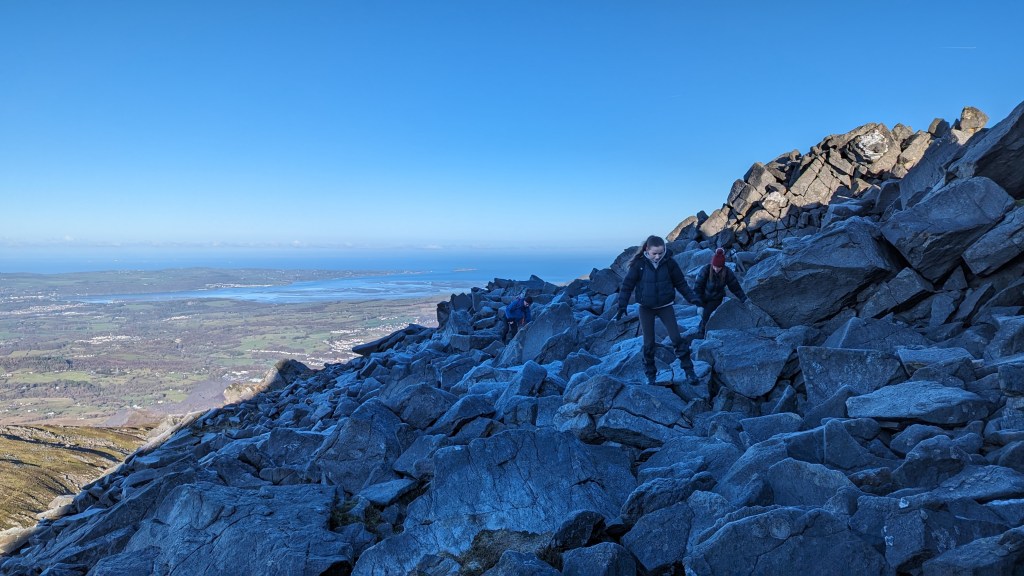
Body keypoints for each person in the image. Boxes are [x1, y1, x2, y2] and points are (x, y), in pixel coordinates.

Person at [616, 235, 702, 386]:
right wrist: (622, 305)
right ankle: (651, 377)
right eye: (654, 253)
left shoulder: (669, 263)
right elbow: (627, 285)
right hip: (646, 308)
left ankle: (689, 372)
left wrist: (692, 298)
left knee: (676, 338)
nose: (657, 256)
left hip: (665, 307)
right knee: (649, 343)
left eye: (660, 253)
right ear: (647, 250)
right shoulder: (639, 264)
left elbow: (681, 283)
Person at [695, 247, 747, 337]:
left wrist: (744, 299)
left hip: (716, 298)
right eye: (714, 266)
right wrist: (699, 305)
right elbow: (698, 288)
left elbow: (735, 288)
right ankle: (700, 333)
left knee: (707, 314)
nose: (716, 269)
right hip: (703, 296)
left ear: (723, 266)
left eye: (719, 267)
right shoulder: (705, 270)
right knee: (704, 315)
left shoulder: (727, 272)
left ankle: (702, 334)